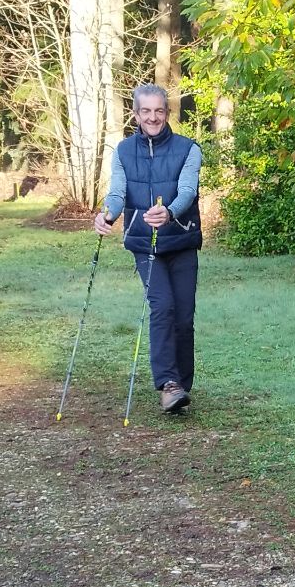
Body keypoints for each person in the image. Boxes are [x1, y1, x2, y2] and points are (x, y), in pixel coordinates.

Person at [96, 83, 202, 414]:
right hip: (146, 245)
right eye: (146, 111)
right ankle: (168, 385)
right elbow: (117, 192)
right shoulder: (123, 151)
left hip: (182, 242)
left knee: (184, 318)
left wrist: (169, 211)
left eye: (159, 111)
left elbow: (187, 190)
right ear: (136, 114)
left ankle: (182, 386)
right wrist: (108, 214)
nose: (153, 117)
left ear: (167, 114)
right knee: (163, 307)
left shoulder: (188, 148)